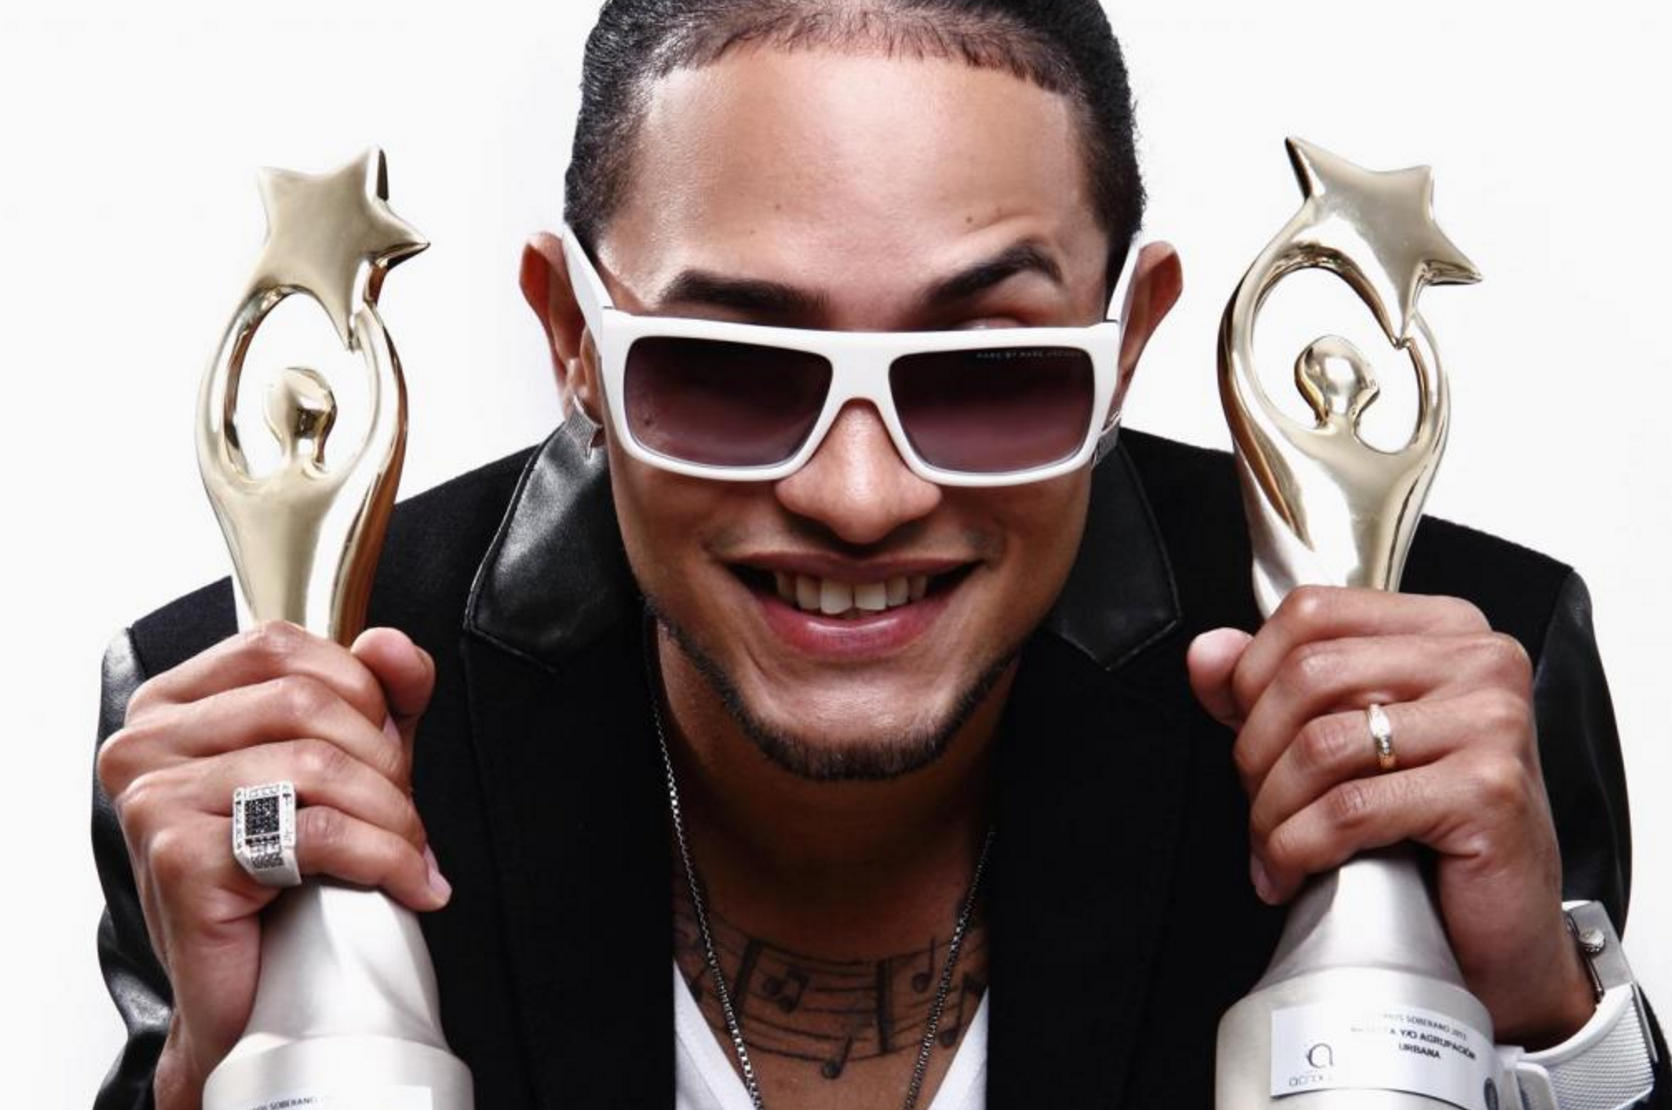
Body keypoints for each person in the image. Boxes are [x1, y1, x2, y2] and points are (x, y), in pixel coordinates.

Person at [91, 2, 1667, 1108]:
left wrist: (1547, 1024)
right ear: (575, 338)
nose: (859, 493)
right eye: (732, 369)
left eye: (987, 373)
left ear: (1128, 344)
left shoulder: (1456, 683)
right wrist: (210, 1074)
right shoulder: (262, 742)